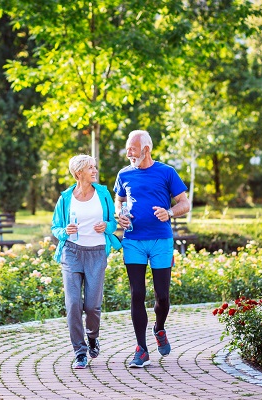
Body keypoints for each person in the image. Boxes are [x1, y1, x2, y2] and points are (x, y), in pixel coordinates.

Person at [113, 130, 190, 368]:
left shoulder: (167, 172)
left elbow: (184, 203)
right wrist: (120, 214)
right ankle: (141, 349)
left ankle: (159, 328)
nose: (128, 153)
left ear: (146, 149)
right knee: (137, 293)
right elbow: (119, 200)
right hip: (133, 240)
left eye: (132, 149)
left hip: (160, 241)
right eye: (127, 148)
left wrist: (168, 212)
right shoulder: (124, 173)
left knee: (162, 296)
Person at [51, 154, 122, 369]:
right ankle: (79, 352)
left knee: (92, 306)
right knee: (73, 305)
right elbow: (55, 227)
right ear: (79, 172)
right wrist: (65, 231)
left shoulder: (103, 193)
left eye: (94, 167)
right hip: (71, 253)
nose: (95, 170)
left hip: (96, 253)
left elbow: (112, 223)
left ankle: (92, 337)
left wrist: (106, 227)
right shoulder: (65, 197)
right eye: (90, 168)